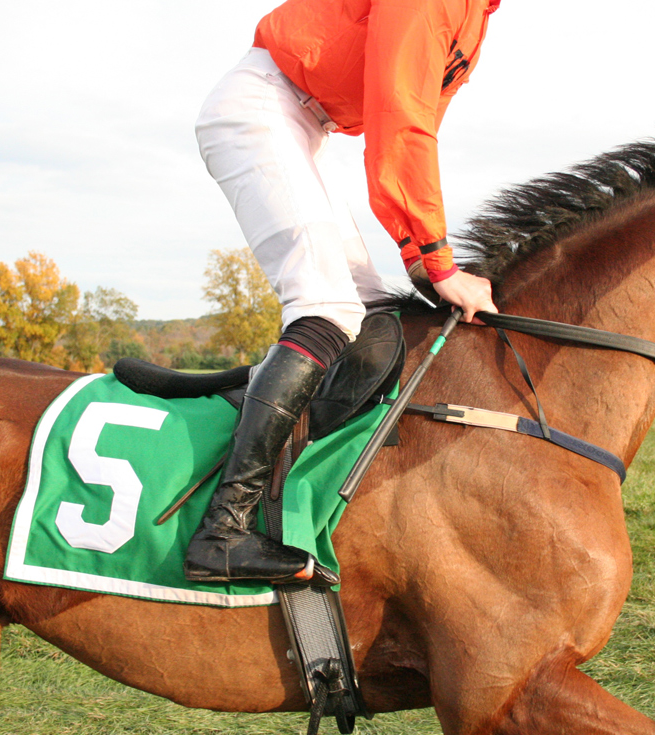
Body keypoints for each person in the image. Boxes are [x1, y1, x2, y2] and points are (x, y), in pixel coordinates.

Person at [185, 0, 501, 585]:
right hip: (264, 106)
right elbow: (399, 118)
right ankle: (223, 532)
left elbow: (415, 128)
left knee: (377, 313)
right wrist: (435, 261)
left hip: (307, 124)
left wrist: (426, 261)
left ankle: (307, 488)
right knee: (328, 307)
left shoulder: (477, 16)